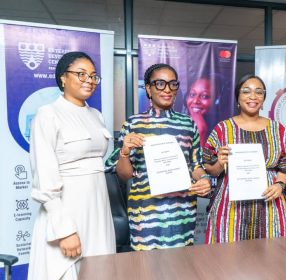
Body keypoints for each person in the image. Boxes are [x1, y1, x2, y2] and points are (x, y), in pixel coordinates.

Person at [28, 52, 116, 280]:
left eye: (94, 76)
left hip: (99, 208)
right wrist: (64, 231)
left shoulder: (96, 115)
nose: (89, 80)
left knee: (100, 270)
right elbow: (44, 176)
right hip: (68, 211)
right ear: (63, 78)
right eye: (81, 74)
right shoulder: (48, 114)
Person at [105, 63, 211, 251]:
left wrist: (203, 179)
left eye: (172, 84)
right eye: (160, 84)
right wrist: (124, 152)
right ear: (148, 88)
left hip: (182, 211)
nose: (167, 89)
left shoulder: (188, 124)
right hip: (146, 213)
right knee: (147, 269)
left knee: (181, 266)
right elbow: (124, 175)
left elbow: (196, 164)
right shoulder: (133, 124)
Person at [202, 74, 286, 243]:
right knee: (228, 258)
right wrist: (220, 163)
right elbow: (210, 168)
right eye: (246, 91)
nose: (253, 96)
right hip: (230, 209)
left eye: (259, 92)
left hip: (270, 206)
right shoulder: (223, 129)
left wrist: (280, 184)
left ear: (263, 99)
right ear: (238, 98)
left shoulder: (276, 128)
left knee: (270, 258)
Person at [186, 78, 214, 146]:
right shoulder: (179, 124)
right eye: (192, 94)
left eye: (204, 96)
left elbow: (204, 156)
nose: (195, 101)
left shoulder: (221, 131)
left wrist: (201, 134)